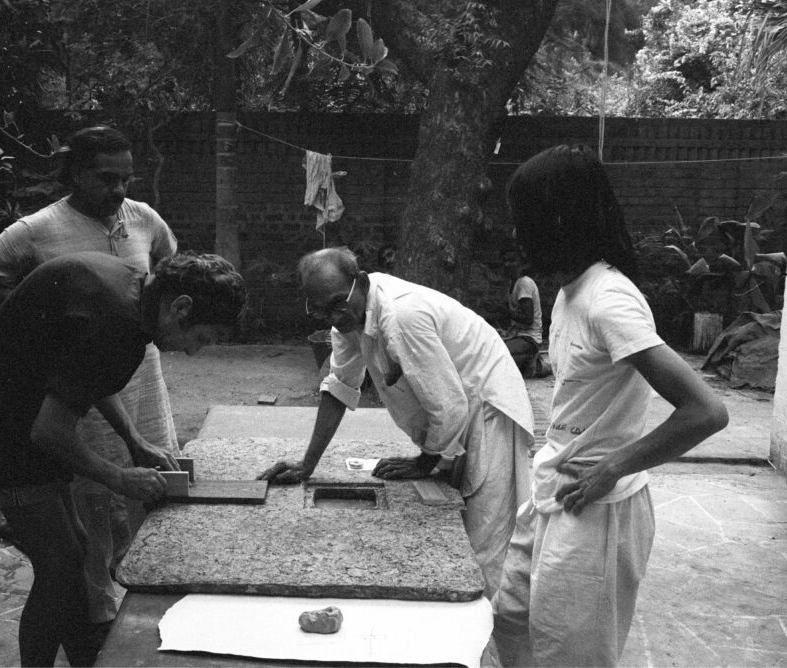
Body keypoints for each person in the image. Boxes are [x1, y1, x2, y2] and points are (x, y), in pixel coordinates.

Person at [0, 251, 245, 667]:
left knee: (75, 551)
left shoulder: (131, 292)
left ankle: (85, 657)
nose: (193, 352)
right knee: (60, 564)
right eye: (202, 339)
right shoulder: (117, 324)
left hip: (18, 408)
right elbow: (50, 431)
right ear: (181, 307)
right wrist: (120, 478)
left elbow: (88, 376)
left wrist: (134, 439)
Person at [492, 145, 729, 667]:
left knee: (568, 657)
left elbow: (706, 411)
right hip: (554, 491)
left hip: (596, 511)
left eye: (523, 220)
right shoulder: (570, 293)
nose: (516, 234)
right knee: (510, 627)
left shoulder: (609, 300)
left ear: (558, 219)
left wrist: (614, 466)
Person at [0, 126, 178, 627]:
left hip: (127, 373)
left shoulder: (142, 220)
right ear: (73, 173)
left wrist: (133, 439)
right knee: (84, 513)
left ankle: (128, 606)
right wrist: (34, 318)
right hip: (56, 392)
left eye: (127, 179)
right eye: (106, 178)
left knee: (139, 493)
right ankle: (95, 614)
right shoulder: (38, 228)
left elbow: (169, 271)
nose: (119, 190)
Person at [258, 247, 535, 599]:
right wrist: (307, 464)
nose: (333, 316)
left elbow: (449, 404)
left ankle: (492, 626)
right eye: (320, 310)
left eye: (337, 304)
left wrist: (425, 461)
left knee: (486, 539)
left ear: (360, 282)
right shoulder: (348, 320)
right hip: (459, 408)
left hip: (489, 407)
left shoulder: (401, 315)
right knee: (457, 524)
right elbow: (339, 386)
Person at [500, 245, 543, 377]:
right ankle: (527, 363)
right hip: (517, 335)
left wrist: (505, 312)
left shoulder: (524, 283)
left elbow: (528, 319)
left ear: (521, 263)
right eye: (505, 261)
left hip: (529, 339)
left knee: (499, 354)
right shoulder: (512, 283)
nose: (507, 264)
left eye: (512, 260)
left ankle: (534, 363)